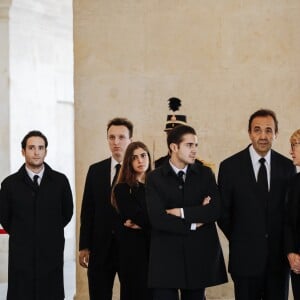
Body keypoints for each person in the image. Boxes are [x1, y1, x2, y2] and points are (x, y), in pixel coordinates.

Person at [218, 109, 296, 300]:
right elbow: (223, 214)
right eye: (257, 130)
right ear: (249, 133)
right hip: (244, 261)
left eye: (269, 130)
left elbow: (291, 214)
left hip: (278, 262)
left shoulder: (287, 167)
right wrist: (242, 238)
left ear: (276, 134)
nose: (263, 136)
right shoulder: (229, 167)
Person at [146, 124, 227, 300]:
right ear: (174, 147)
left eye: (196, 145)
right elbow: (158, 219)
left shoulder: (205, 174)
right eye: (189, 145)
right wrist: (194, 222)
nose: (194, 150)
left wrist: (181, 212)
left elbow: (214, 210)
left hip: (198, 257)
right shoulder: (154, 178)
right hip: (165, 258)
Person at [0, 130, 73, 300]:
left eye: (41, 148)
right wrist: (24, 232)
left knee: (51, 292)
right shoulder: (9, 184)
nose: (36, 152)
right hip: (21, 252)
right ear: (23, 151)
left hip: (51, 250)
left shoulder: (60, 181)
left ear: (45, 152)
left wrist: (48, 230)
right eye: (31, 147)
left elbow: (67, 212)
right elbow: (4, 217)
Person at [79, 117, 133, 300]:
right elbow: (88, 209)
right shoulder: (95, 170)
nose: (116, 142)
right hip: (100, 247)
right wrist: (84, 245)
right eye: (111, 137)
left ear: (130, 140)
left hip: (130, 247)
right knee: (99, 295)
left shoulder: (141, 169)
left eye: (121, 137)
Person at [112, 141, 152, 300]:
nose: (140, 160)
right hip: (133, 254)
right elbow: (138, 216)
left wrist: (145, 223)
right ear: (129, 161)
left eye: (143, 155)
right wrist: (159, 219)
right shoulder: (122, 188)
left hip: (156, 251)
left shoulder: (157, 186)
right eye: (135, 157)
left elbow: (148, 219)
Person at [284, 129, 300, 299]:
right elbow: (288, 221)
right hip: (297, 266)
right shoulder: (294, 181)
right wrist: (291, 254)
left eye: (294, 145)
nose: (290, 151)